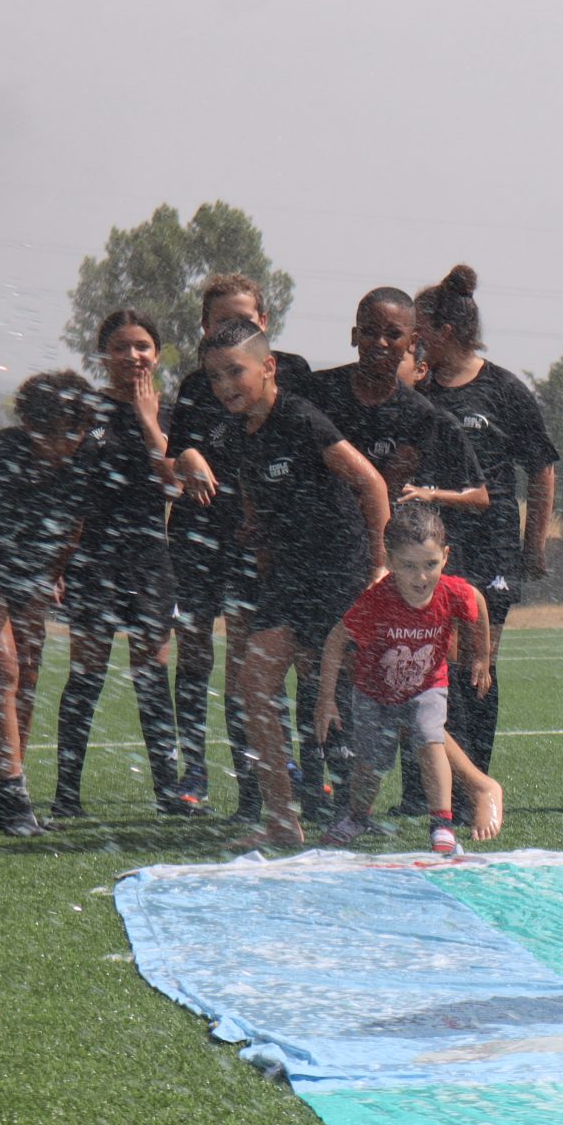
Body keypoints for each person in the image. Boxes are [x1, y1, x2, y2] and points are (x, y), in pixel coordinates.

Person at [170, 320, 388, 849]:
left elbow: (371, 482)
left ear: (268, 368)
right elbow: (240, 482)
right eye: (215, 377)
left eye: (235, 372)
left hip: (339, 574)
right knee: (253, 687)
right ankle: (282, 820)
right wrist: (256, 529)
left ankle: (386, 803)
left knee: (357, 696)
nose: (225, 386)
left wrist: (379, 569)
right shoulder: (239, 430)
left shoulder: (301, 419)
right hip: (288, 579)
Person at [303, 286, 488, 820]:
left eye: (394, 334)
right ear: (353, 333)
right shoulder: (319, 395)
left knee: (405, 683)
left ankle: (424, 803)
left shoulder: (424, 416)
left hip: (399, 574)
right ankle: (317, 794)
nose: (380, 343)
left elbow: (481, 494)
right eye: (370, 330)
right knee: (322, 671)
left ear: (414, 343)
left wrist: (431, 496)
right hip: (327, 556)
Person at [165, 272, 311, 820]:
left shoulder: (291, 372)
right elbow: (177, 453)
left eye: (244, 320)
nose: (233, 328)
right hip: (201, 532)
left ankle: (267, 779)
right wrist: (190, 458)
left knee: (254, 658)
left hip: (263, 537)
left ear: (264, 324)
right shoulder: (194, 385)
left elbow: (314, 439)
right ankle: (196, 772)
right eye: (223, 321)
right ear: (205, 328)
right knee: (196, 650)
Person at [415, 265, 558, 788]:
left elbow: (541, 465)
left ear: (444, 332)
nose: (413, 339)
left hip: (492, 543)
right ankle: (429, 786)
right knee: (433, 660)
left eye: (419, 329)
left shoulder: (502, 389)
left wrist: (534, 541)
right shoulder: (419, 388)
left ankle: (479, 778)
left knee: (478, 661)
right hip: (431, 546)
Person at [51, 310, 192, 820]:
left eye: (142, 347)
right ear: (102, 354)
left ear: (157, 353)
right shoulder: (81, 411)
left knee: (152, 676)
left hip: (151, 560)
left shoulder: (173, 413)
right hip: (92, 561)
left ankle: (167, 792)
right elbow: (65, 494)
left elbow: (175, 486)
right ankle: (67, 795)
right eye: (120, 347)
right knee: (85, 675)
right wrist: (58, 565)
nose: (132, 356)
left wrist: (150, 420)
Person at [0, 371, 99, 836]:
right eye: (59, 433)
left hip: (32, 572)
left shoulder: (82, 459)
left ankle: (7, 790)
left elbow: (75, 525)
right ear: (33, 427)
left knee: (29, 672)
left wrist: (54, 575)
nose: (68, 442)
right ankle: (13, 790)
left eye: (75, 431)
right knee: (3, 668)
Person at [314, 503, 503, 856]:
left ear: (445, 557)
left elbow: (477, 600)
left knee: (431, 744)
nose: (421, 578)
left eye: (430, 565)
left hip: (428, 685)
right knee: (371, 764)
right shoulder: (377, 601)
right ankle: (357, 815)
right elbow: (336, 640)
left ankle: (441, 824)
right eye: (408, 566)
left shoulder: (451, 591)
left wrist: (482, 656)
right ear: (389, 561)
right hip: (374, 694)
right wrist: (326, 699)